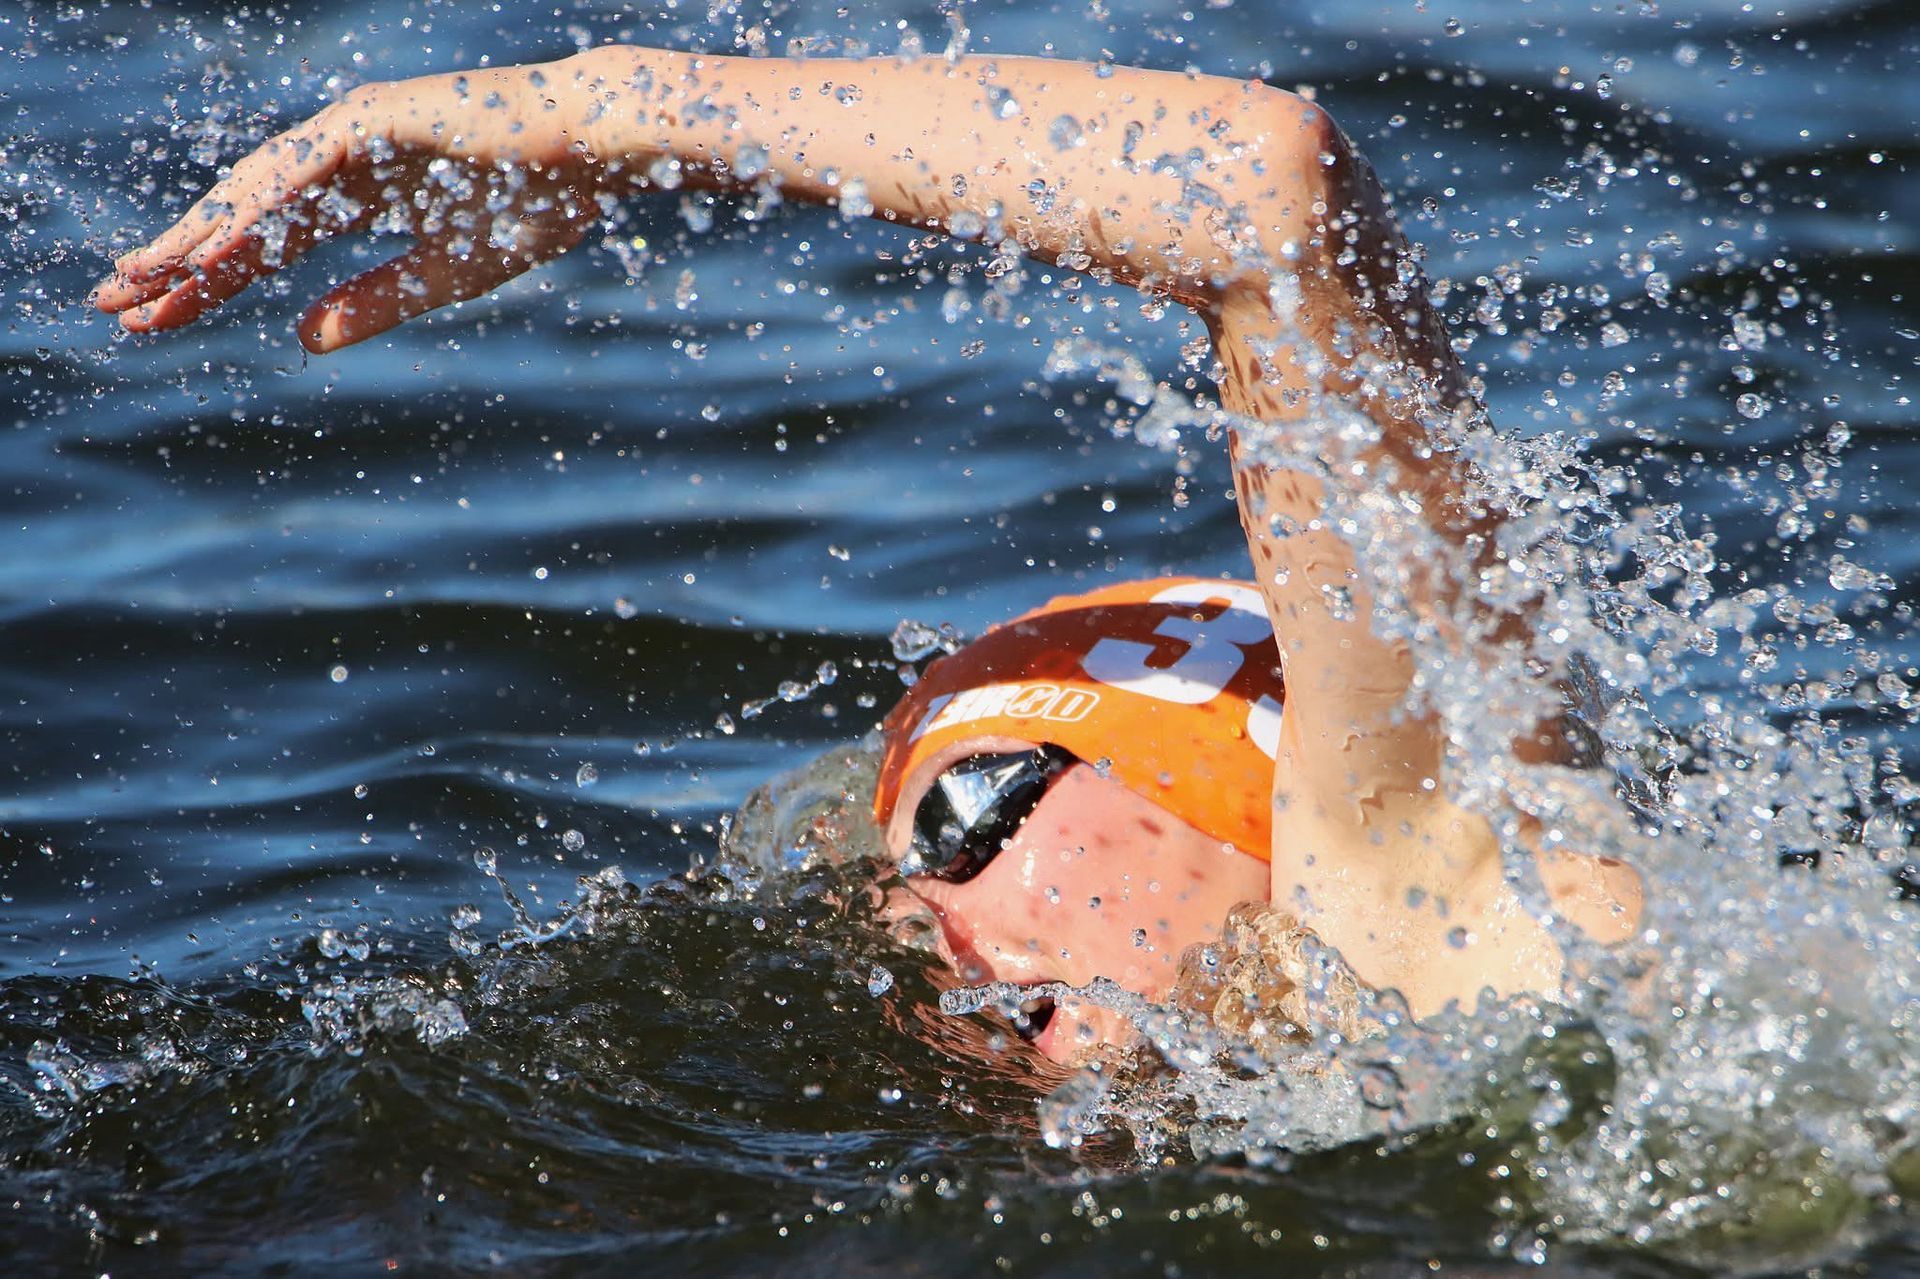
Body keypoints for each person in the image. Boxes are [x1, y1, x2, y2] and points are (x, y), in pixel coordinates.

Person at [92, 45, 1644, 1064]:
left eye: (971, 815)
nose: (930, 923)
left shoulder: (1444, 909)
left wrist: (614, 116)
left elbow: (1264, 192)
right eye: (902, 884)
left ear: (1247, 787)